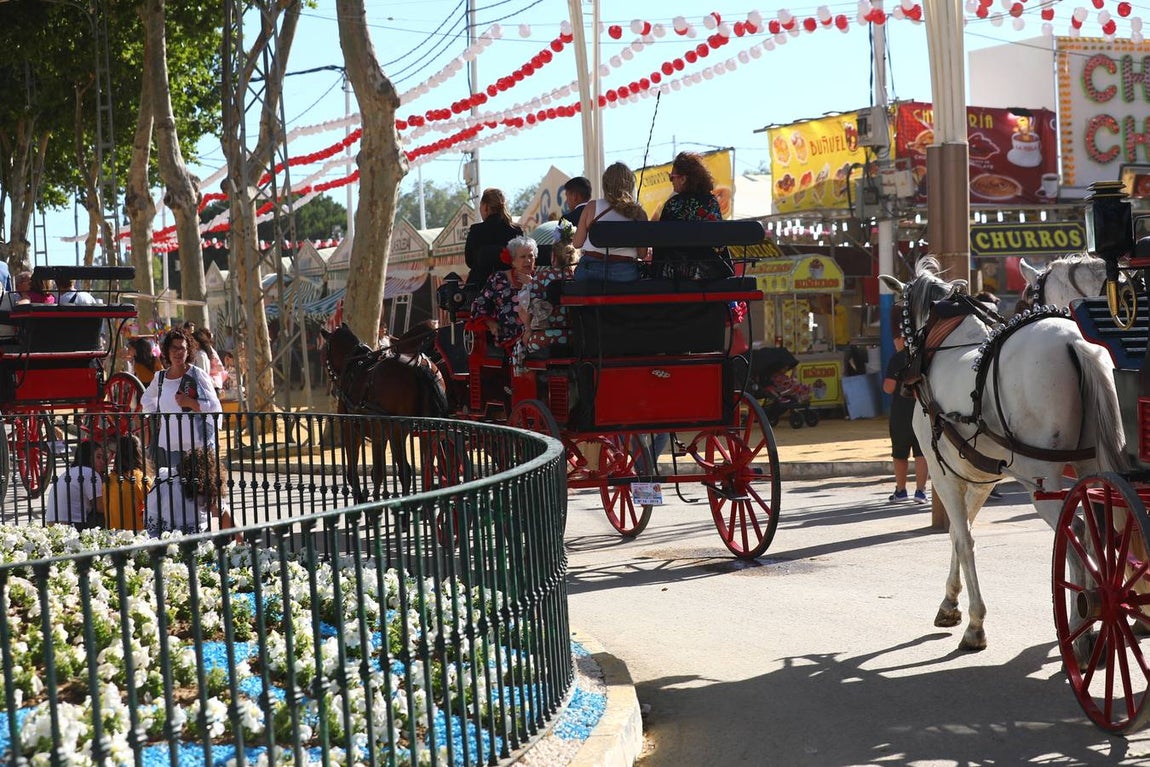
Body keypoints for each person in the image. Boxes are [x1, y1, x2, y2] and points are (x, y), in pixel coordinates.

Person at [140, 329, 221, 470]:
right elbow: (146, 399)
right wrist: (157, 415)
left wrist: (190, 403)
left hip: (198, 444)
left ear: (188, 351)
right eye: (174, 348)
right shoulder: (160, 378)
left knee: (199, 487)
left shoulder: (197, 375)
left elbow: (214, 406)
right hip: (172, 445)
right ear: (167, 351)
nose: (178, 352)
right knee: (178, 486)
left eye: (182, 348)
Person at [652, 151, 734, 280]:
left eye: (672, 177)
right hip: (709, 274)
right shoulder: (711, 202)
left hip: (676, 275)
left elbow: (661, 245)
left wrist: (654, 273)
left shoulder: (673, 204)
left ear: (683, 179)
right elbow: (719, 245)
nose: (671, 181)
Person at [573, 162, 649, 283]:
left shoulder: (592, 207)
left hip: (589, 271)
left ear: (605, 184)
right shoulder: (639, 213)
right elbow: (642, 254)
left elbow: (577, 243)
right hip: (624, 273)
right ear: (630, 184)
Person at [514, 237, 577, 369]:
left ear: (553, 257)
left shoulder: (540, 278)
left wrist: (528, 331)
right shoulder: (578, 277)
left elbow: (525, 309)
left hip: (544, 338)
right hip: (576, 336)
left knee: (519, 346)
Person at [883, 324, 929, 503]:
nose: (894, 342)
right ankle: (920, 491)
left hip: (900, 412)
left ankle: (901, 490)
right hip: (922, 409)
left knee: (900, 453)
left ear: (902, 339)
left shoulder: (897, 359)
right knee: (921, 452)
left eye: (896, 338)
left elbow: (888, 388)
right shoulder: (923, 356)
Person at [145, 446, 233, 536]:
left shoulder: (164, 477)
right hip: (195, 540)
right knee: (221, 510)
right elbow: (227, 519)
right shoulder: (204, 488)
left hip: (159, 538)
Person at [470, 235, 537, 350]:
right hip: (507, 336)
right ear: (513, 261)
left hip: (535, 333)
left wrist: (532, 284)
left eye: (531, 256)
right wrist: (490, 323)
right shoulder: (498, 278)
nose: (528, 260)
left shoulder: (540, 279)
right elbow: (479, 304)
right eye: (523, 257)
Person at [464, 188, 523, 287]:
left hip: (480, 285)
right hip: (509, 285)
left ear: (485, 206)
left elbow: (470, 261)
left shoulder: (477, 230)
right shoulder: (516, 230)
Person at [45, 440, 106, 528]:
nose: (102, 462)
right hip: (72, 524)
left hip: (52, 524)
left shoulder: (69, 473)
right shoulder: (90, 474)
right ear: (88, 457)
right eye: (98, 457)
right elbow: (100, 507)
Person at [104, 434, 148, 531]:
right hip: (137, 534)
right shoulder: (140, 478)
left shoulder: (108, 480)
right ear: (138, 452)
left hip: (114, 533)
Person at [192, 327, 228, 393]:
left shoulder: (201, 354)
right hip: (211, 384)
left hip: (210, 384)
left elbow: (202, 373)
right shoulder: (204, 352)